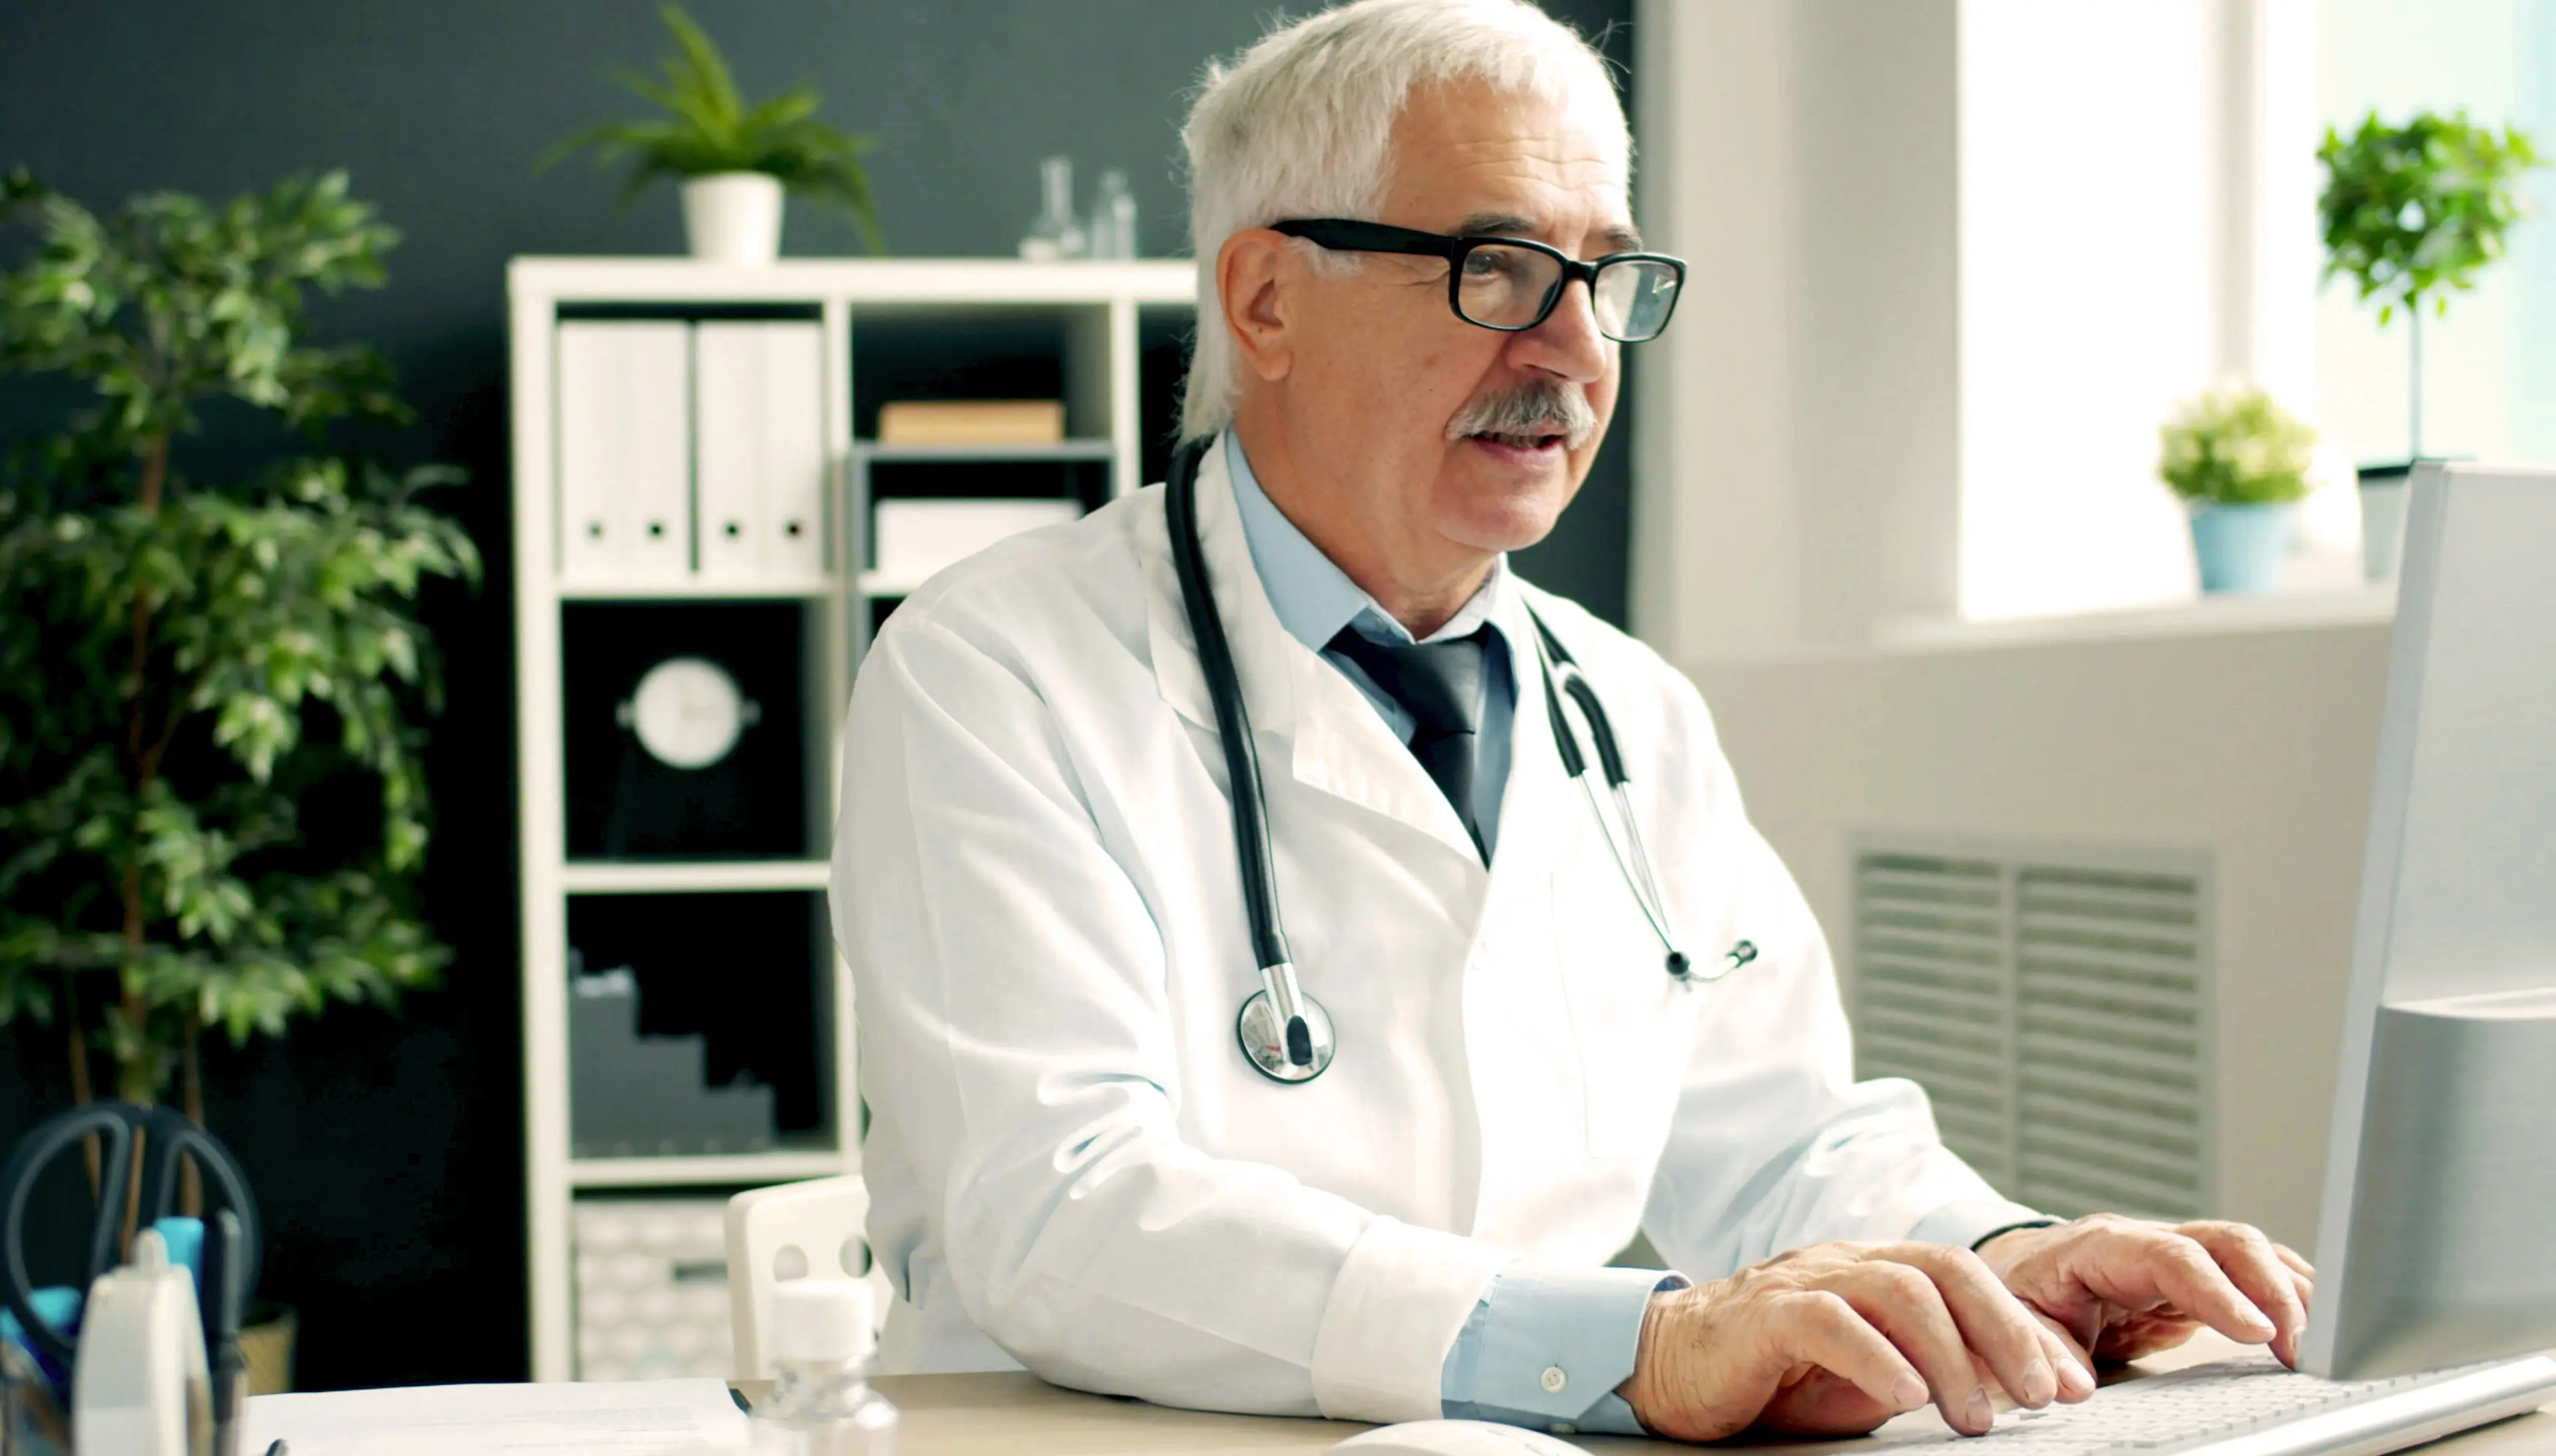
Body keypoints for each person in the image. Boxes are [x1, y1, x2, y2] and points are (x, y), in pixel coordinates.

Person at [831, 0, 2313, 1441]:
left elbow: (1787, 1141)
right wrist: (1643, 1342)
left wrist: (1998, 1257)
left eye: (1603, 277)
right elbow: (1059, 1206)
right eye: (1498, 267)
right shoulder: (992, 669)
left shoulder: (1630, 710)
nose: (1573, 349)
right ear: (1267, 299)